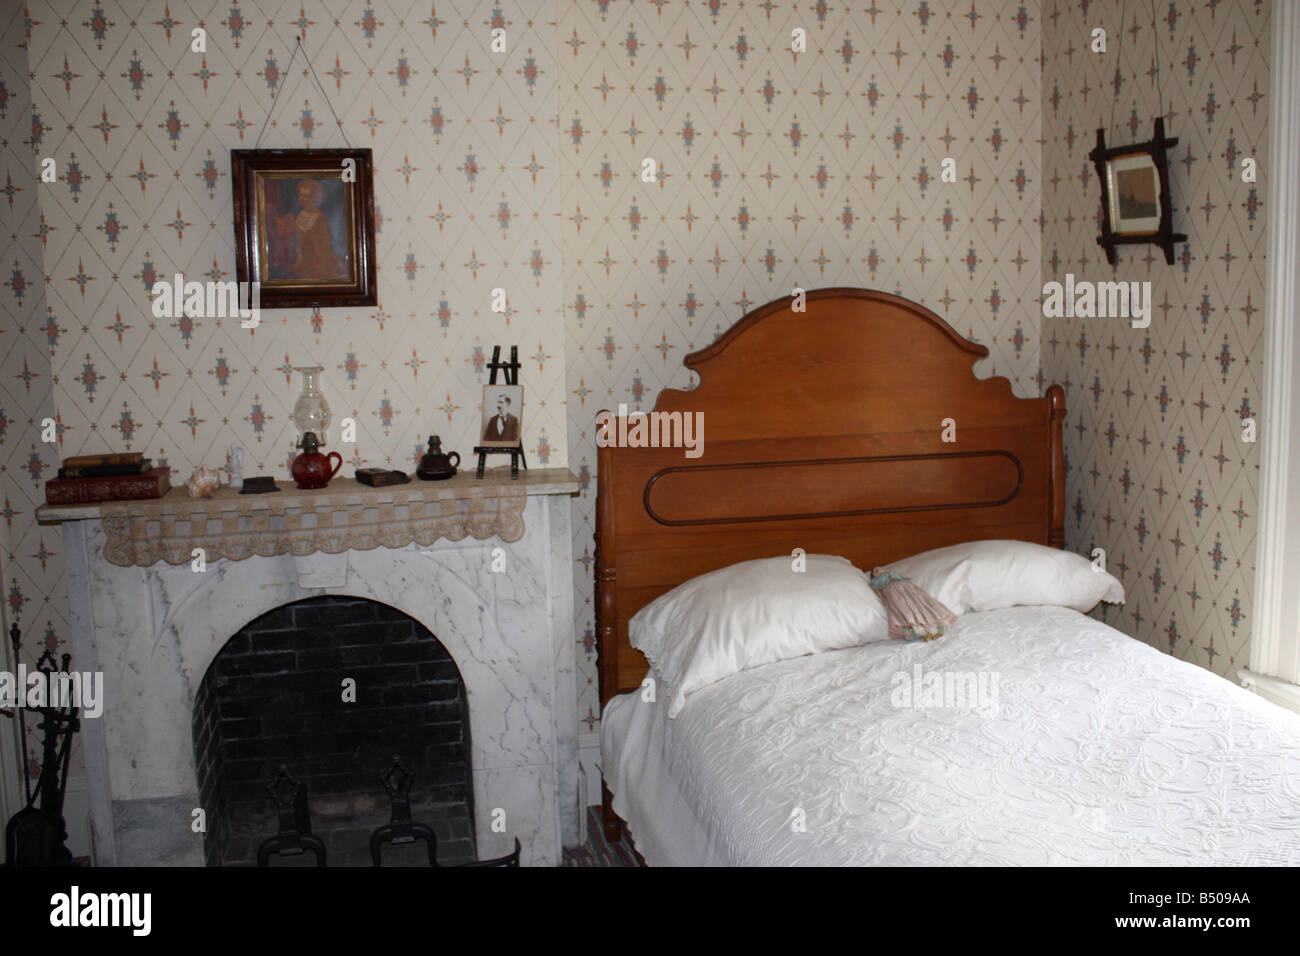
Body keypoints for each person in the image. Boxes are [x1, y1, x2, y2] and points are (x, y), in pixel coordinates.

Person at [271, 179, 348, 279]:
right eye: (300, 195)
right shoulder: (302, 213)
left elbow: (314, 238)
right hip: (299, 248)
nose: (302, 198)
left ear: (315, 198)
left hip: (314, 253)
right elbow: (297, 230)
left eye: (306, 196)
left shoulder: (319, 217)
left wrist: (295, 229)